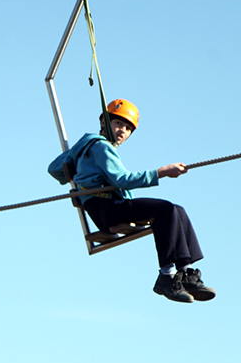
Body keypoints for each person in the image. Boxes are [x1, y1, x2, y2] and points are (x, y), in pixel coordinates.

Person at [48, 98, 214, 304]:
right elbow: (122, 180)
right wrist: (161, 172)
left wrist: (75, 158)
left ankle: (186, 271)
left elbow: (54, 168)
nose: (122, 131)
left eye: (127, 128)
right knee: (166, 210)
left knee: (177, 210)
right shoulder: (101, 147)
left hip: (108, 207)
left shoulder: (89, 146)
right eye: (118, 123)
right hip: (107, 208)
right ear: (103, 122)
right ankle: (167, 275)